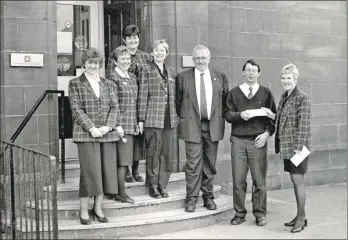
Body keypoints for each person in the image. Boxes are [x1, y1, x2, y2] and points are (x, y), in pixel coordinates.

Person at [68, 48, 124, 225]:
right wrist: (91, 128)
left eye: (96, 63)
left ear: (100, 65)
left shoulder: (108, 84)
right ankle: (84, 209)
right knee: (89, 172)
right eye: (90, 62)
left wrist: (108, 126)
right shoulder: (75, 83)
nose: (93, 65)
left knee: (105, 171)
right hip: (86, 135)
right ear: (84, 63)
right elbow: (76, 109)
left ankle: (98, 208)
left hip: (107, 134)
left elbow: (115, 107)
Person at [175, 45, 229, 212]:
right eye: (197, 58)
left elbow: (224, 102)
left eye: (203, 58)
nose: (200, 61)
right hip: (192, 125)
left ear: (208, 59)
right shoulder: (183, 77)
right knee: (192, 164)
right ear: (193, 59)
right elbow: (178, 103)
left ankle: (208, 197)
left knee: (210, 164)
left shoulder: (219, 77)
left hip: (212, 126)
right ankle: (191, 198)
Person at [224, 59, 276, 226]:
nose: (251, 73)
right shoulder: (234, 93)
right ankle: (239, 213)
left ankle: (259, 213)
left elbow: (273, 118)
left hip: (258, 141)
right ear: (243, 72)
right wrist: (240, 115)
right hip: (239, 140)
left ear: (259, 73)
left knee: (259, 180)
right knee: (238, 179)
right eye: (248, 70)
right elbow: (227, 114)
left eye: (254, 70)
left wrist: (267, 134)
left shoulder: (266, 93)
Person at [263, 63, 311, 233]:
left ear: (295, 79)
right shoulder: (284, 97)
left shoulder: (302, 98)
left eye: (289, 78)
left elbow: (303, 125)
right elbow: (284, 119)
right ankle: (301, 216)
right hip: (287, 147)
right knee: (294, 180)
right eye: (283, 78)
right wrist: (272, 115)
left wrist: (298, 148)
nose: (285, 81)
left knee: (298, 181)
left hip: (298, 148)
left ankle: (301, 218)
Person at [107, 25, 152, 183]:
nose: (133, 40)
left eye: (136, 37)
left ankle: (136, 170)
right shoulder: (118, 55)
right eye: (130, 38)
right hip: (124, 101)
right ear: (125, 40)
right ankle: (125, 171)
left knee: (137, 141)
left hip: (140, 100)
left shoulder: (145, 57)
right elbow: (110, 81)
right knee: (125, 140)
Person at [137, 39, 178, 199]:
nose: (159, 53)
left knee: (166, 155)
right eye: (156, 50)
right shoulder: (145, 70)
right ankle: (153, 186)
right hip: (152, 119)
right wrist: (141, 119)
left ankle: (163, 185)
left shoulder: (172, 71)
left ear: (166, 53)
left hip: (169, 119)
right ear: (152, 53)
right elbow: (142, 96)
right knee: (153, 154)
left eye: (163, 50)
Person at [107, 45, 142, 204]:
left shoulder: (133, 77)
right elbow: (113, 104)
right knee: (122, 161)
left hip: (132, 124)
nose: (126, 61)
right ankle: (120, 193)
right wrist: (117, 125)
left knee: (126, 159)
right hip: (120, 126)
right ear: (115, 61)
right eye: (122, 59)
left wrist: (138, 122)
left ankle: (115, 191)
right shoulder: (112, 78)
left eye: (128, 59)